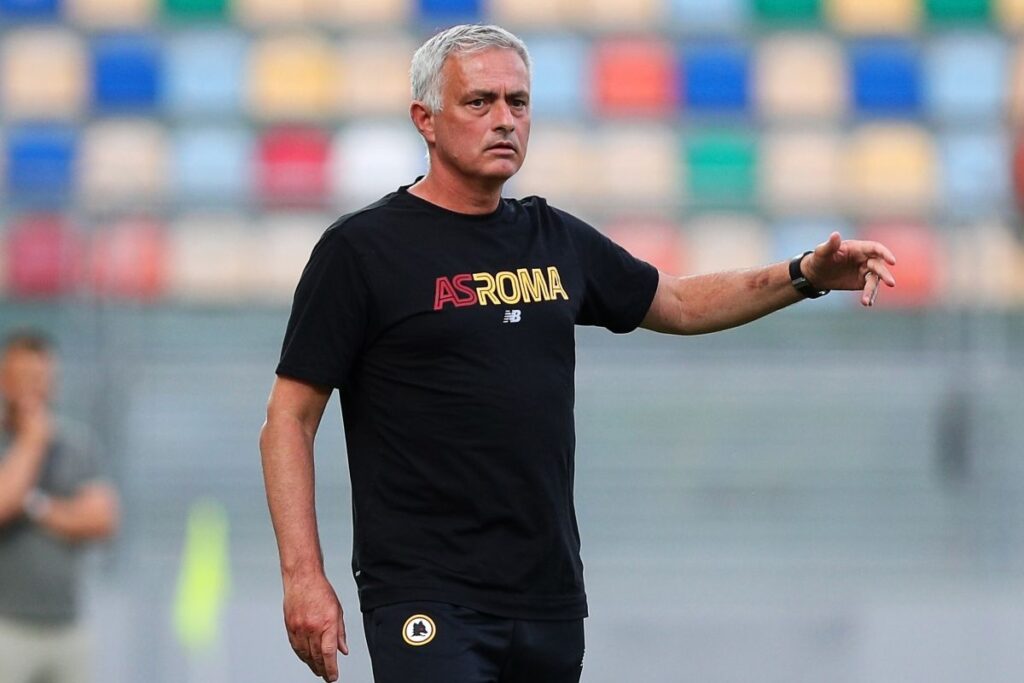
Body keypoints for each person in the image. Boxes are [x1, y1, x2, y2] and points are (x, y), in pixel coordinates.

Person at [259, 24, 897, 683]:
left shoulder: (552, 238)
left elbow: (678, 301)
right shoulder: (362, 251)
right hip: (426, 593)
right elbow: (288, 418)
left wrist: (804, 275)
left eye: (518, 102)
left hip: (547, 597)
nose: (504, 119)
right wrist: (303, 576)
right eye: (480, 102)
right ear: (426, 119)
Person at [0, 330, 120, 683]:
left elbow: (102, 519)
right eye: (25, 377)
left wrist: (34, 505)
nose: (34, 387)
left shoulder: (76, 445)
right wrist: (32, 441)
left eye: (41, 377)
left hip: (67, 625)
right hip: (8, 625)